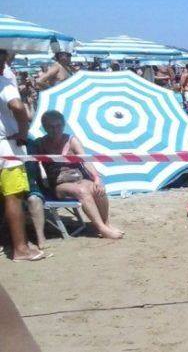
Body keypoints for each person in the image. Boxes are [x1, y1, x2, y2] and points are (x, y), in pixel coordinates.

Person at [36, 111, 124, 239]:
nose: (55, 129)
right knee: (82, 191)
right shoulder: (40, 144)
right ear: (44, 127)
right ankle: (101, 228)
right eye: (51, 126)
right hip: (59, 184)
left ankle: (106, 224)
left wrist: (96, 178)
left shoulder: (71, 140)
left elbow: (86, 160)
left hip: (79, 178)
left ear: (63, 125)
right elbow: (33, 164)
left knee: (97, 188)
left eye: (58, 126)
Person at [0, 50, 48, 261]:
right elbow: (17, 106)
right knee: (13, 197)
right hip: (6, 147)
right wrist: (23, 129)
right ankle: (20, 248)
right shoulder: (4, 83)